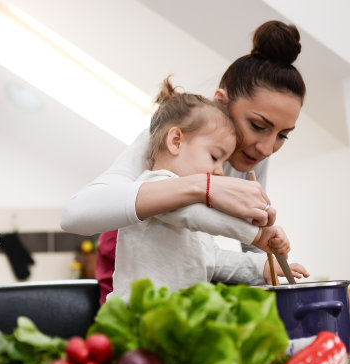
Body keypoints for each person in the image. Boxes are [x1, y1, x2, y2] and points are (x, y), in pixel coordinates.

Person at [61, 20, 309, 303]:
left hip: (184, 270)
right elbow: (74, 214)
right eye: (257, 125)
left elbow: (225, 248)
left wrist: (265, 266)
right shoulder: (169, 139)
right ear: (221, 101)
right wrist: (205, 188)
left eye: (283, 136)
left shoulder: (256, 152)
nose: (267, 148)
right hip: (127, 263)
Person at [109, 77, 296, 302]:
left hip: (176, 318)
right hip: (136, 316)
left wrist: (262, 267)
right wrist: (255, 235)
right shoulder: (154, 185)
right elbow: (195, 217)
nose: (219, 171)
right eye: (215, 157)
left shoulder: (194, 204)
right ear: (176, 142)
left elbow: (212, 259)